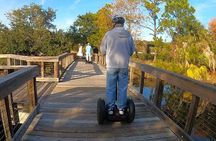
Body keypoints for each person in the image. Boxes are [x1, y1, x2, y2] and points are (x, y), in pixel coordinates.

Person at [100, 15, 135, 115]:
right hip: (124, 65)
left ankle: (110, 109)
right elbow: (132, 50)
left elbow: (102, 50)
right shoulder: (128, 34)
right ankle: (121, 109)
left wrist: (108, 52)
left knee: (111, 87)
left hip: (111, 65)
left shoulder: (109, 34)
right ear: (123, 24)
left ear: (114, 24)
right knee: (123, 87)